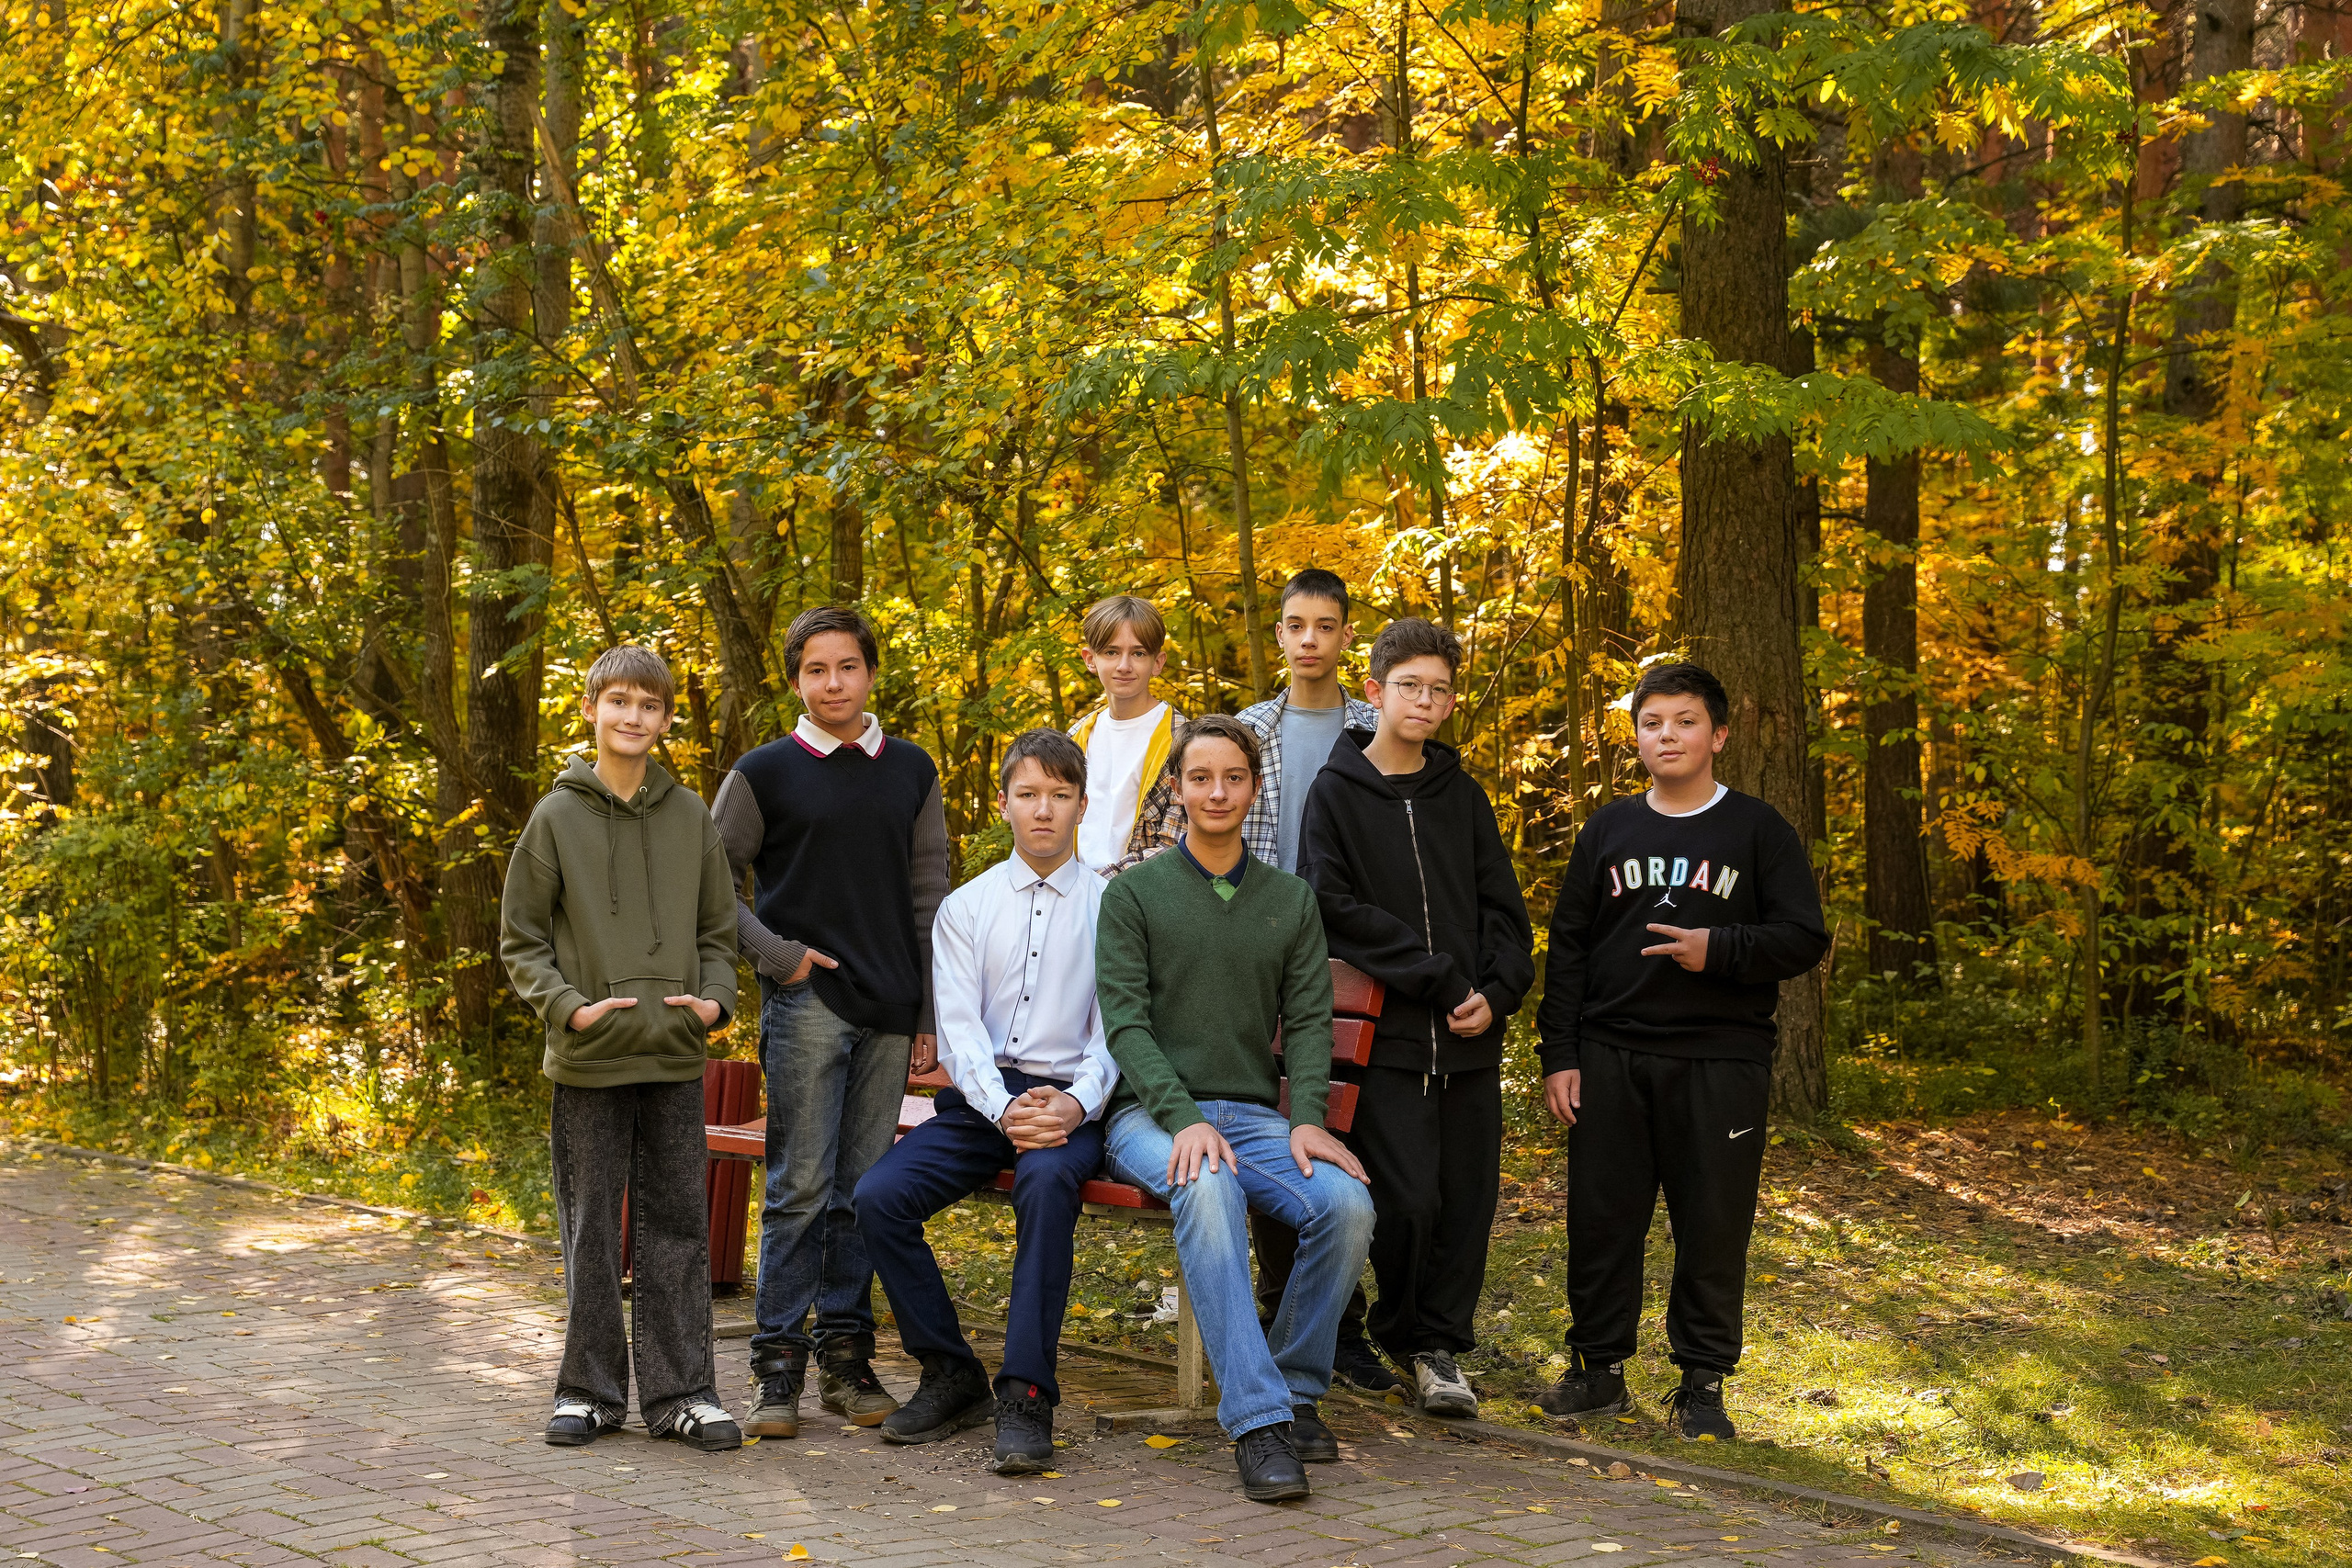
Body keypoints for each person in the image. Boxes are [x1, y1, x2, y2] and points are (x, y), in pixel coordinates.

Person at [1532, 661, 1828, 1441]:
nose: (1668, 734)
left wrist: (1719, 948)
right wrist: (1559, 1053)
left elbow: (1804, 935)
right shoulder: (1609, 830)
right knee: (1602, 1219)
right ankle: (1598, 1371)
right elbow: (1568, 948)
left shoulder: (1759, 829)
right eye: (1653, 721)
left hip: (1721, 1060)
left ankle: (1702, 1384)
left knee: (1713, 1221)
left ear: (1719, 734)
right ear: (1636, 737)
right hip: (1609, 1053)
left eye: (1685, 720)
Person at [1094, 715, 1375, 1503]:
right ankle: (1258, 1424)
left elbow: (1314, 1019)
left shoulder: (1288, 900)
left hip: (1253, 1117)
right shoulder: (1134, 893)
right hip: (1150, 1115)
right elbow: (1125, 1023)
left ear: (1254, 788)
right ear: (1177, 789)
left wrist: (1310, 1116)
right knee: (1209, 1183)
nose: (1216, 791)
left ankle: (1290, 1388)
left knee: (1347, 1205)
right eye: (1200, 777)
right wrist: (1184, 1117)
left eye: (1233, 778)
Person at [711, 606, 950, 1439]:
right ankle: (775, 1368)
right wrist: (780, 957)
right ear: (796, 680)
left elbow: (930, 899)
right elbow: (710, 878)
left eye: (848, 666)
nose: (834, 683)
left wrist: (929, 1012)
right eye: (817, 669)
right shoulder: (764, 771)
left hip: (890, 1008)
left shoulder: (912, 769)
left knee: (861, 1193)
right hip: (808, 1004)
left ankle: (846, 1363)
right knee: (799, 1188)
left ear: (871, 674)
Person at [852, 729, 1118, 1474]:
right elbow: (962, 1032)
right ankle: (950, 1370)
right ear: (1003, 803)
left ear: (1082, 805)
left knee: (1044, 1185)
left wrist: (1071, 1108)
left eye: (1059, 796)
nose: (1043, 810)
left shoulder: (1113, 905)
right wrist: (1003, 1108)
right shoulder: (965, 908)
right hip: (983, 1101)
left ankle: (1027, 1394)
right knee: (879, 1195)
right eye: (1028, 794)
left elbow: (1118, 1028)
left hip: (1073, 1104)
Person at [499, 645, 743, 1452]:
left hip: (674, 1056)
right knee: (591, 1226)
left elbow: (718, 929)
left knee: (678, 1224)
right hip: (590, 1059)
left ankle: (682, 1393)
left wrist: (714, 1002)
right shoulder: (555, 816)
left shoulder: (691, 817)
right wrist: (567, 1010)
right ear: (592, 710)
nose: (633, 717)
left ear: (667, 720)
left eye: (649, 705)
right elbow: (522, 939)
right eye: (620, 702)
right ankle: (588, 1391)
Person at [1296, 617, 1535, 1417]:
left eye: (1439, 689)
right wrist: (1436, 980)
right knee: (1405, 1203)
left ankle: (1439, 1350)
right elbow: (1333, 907)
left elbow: (1504, 910)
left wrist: (1497, 993)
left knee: (1466, 1202)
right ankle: (1398, 1327)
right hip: (1390, 1041)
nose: (1425, 701)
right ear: (1374, 691)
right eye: (1410, 686)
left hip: (1470, 1040)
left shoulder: (1462, 796)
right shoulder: (1336, 793)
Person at [1067, 595, 1185, 872]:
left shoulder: (1183, 739)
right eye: (1111, 652)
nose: (1124, 666)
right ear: (1090, 659)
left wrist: (1098, 885)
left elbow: (1177, 846)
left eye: (1138, 653)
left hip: (1143, 897)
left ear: (1158, 663)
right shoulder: (1075, 737)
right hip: (1072, 894)